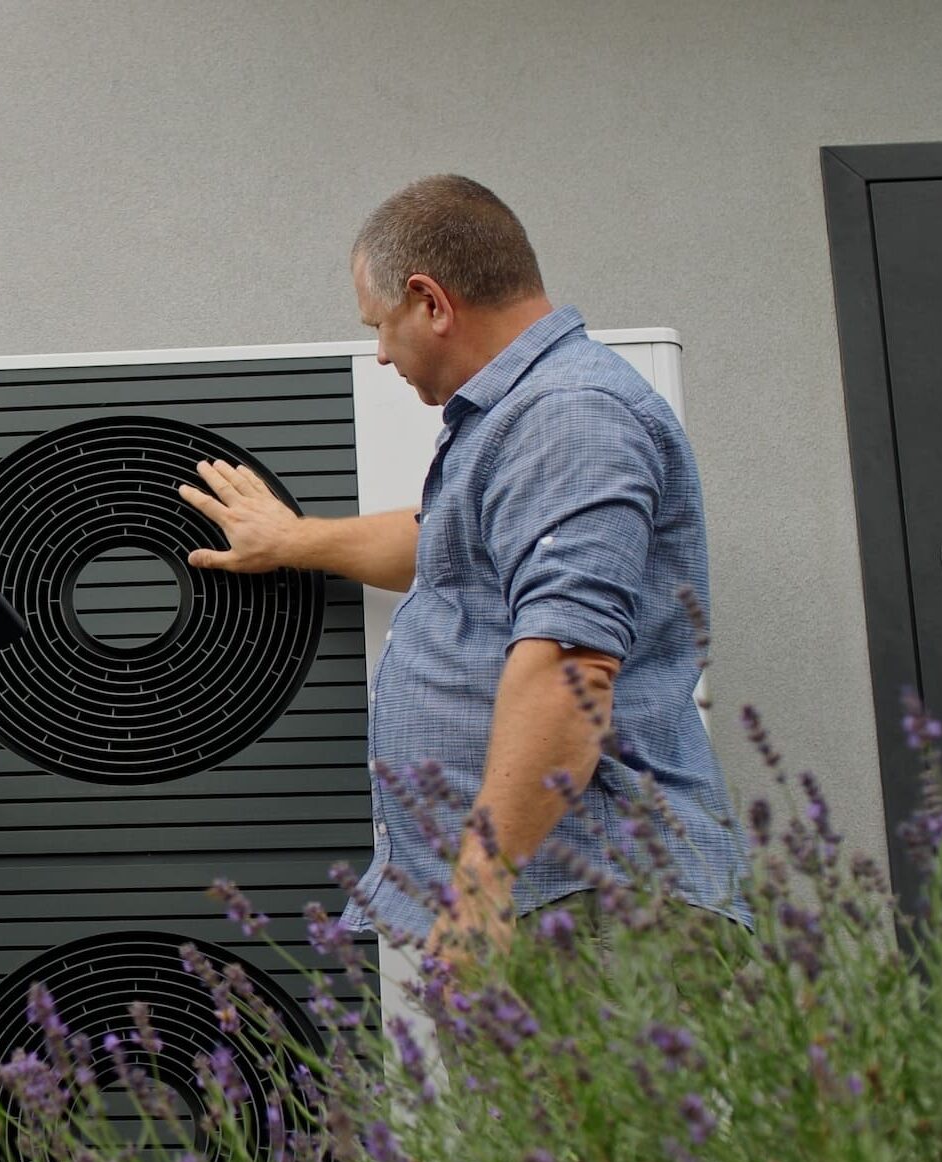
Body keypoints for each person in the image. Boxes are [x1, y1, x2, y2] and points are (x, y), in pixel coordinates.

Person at [180, 175, 749, 968]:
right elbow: (442, 541)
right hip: (556, 899)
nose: (379, 353)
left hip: (591, 906)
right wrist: (292, 540)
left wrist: (479, 887)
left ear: (431, 302)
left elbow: (568, 666)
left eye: (380, 325)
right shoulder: (524, 417)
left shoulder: (567, 414)